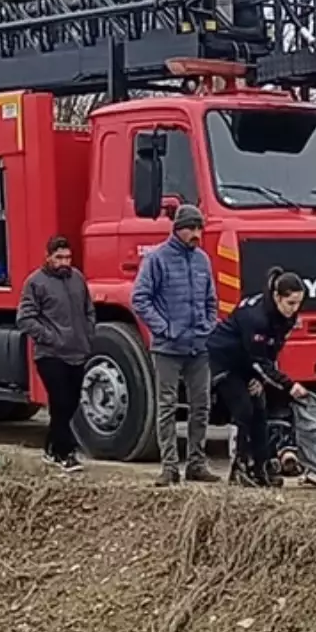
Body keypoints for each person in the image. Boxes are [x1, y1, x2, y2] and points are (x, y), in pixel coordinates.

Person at [132, 203, 219, 486]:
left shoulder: (203, 260)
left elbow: (211, 299)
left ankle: (196, 462)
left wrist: (208, 324)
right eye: (191, 228)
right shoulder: (157, 259)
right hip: (168, 349)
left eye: (199, 228)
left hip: (199, 347)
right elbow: (140, 298)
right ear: (177, 228)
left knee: (201, 406)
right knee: (167, 406)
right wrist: (164, 328)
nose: (196, 234)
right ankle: (169, 467)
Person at [208, 268, 309, 485]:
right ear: (277, 297)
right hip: (224, 360)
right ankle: (240, 467)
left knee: (260, 409)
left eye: (299, 303)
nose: (295, 309)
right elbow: (258, 358)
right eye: (290, 303)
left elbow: (269, 353)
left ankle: (261, 466)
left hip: (247, 360)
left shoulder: (285, 317)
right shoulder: (256, 318)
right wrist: (288, 385)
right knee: (244, 409)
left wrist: (260, 378)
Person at [17, 233, 96, 470]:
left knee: (71, 403)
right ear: (48, 257)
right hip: (50, 355)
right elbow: (24, 318)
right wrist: (49, 338)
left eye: (68, 257)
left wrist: (88, 333)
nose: (64, 262)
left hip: (78, 352)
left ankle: (51, 448)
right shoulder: (35, 282)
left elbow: (89, 310)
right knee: (60, 402)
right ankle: (65, 453)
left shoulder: (78, 279)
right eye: (59, 257)